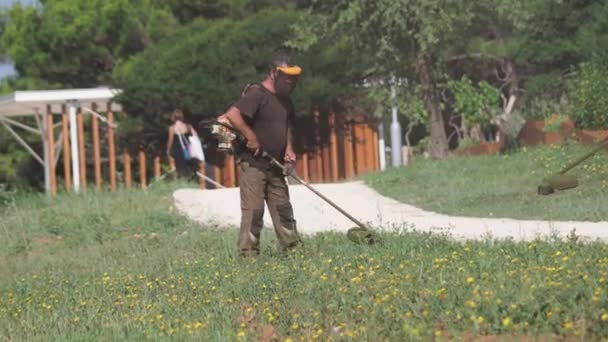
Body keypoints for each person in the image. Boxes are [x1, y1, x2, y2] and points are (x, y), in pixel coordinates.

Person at [217, 53, 302, 257]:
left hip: (275, 166)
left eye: (294, 77)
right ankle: (249, 258)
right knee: (254, 213)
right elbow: (232, 114)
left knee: (283, 210)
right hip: (253, 164)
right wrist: (250, 136)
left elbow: (286, 125)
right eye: (287, 77)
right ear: (274, 73)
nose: (291, 81)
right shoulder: (258, 94)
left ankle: (294, 253)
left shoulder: (285, 100)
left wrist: (288, 149)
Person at [166, 109, 199, 179]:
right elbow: (195, 135)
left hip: (178, 150)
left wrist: (168, 150)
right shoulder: (188, 126)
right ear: (182, 117)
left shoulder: (172, 128)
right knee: (190, 166)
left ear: (173, 117)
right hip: (188, 149)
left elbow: (170, 140)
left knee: (180, 169)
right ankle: (191, 178)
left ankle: (183, 181)